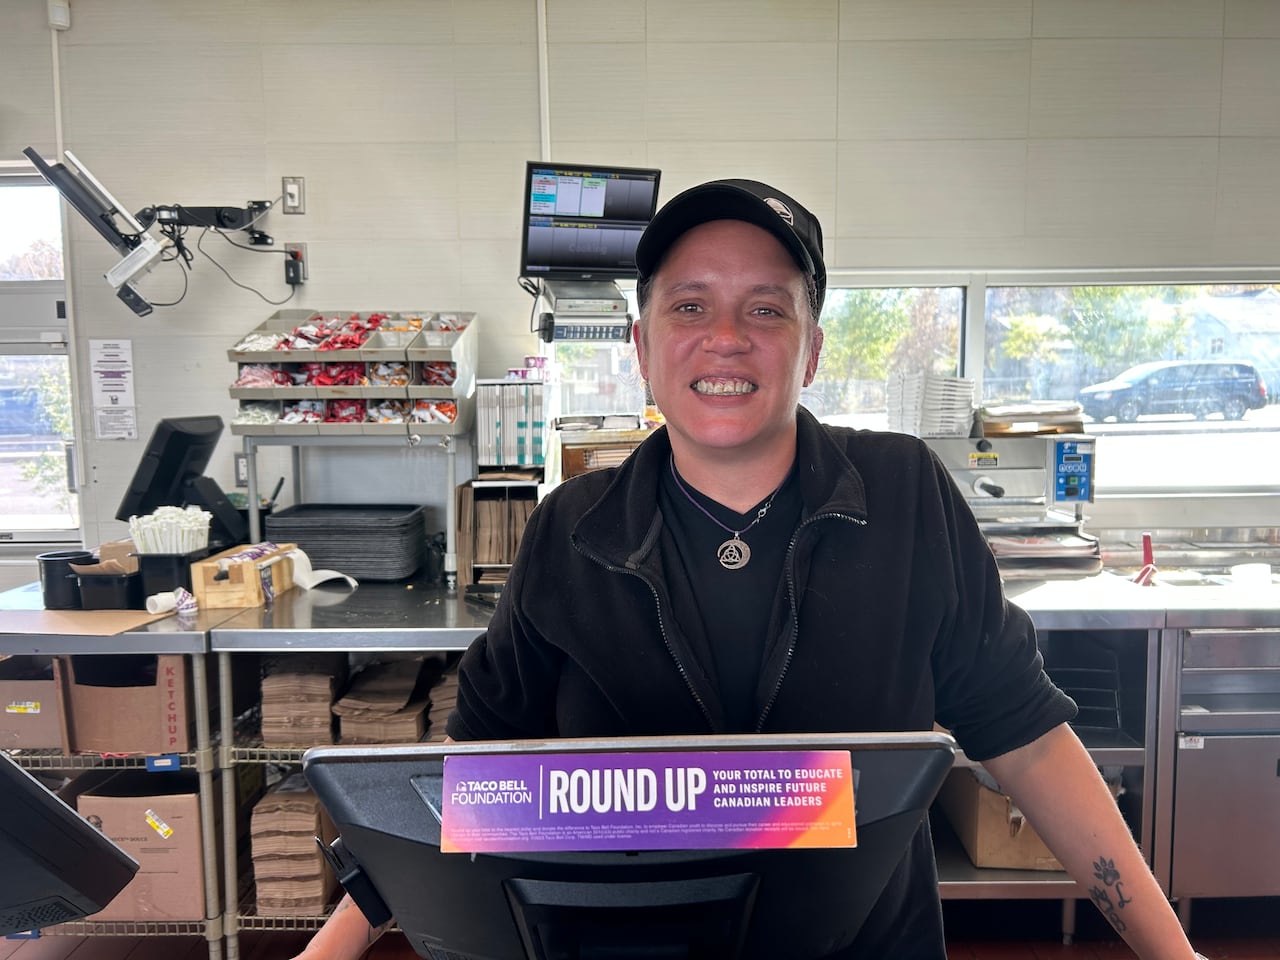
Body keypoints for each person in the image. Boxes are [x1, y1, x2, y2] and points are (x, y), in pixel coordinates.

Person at [293, 179, 1203, 959]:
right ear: (644, 349)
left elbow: (1027, 737)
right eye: (688, 306)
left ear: (808, 350)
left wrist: (1171, 950)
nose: (726, 336)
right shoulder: (573, 528)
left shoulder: (903, 494)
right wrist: (333, 943)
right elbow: (471, 781)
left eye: (766, 308)